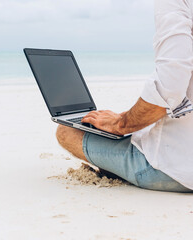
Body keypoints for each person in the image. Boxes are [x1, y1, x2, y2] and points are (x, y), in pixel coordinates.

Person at [56, 0, 193, 192]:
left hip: (176, 170)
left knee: (66, 131)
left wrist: (120, 124)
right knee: (140, 129)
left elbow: (171, 83)